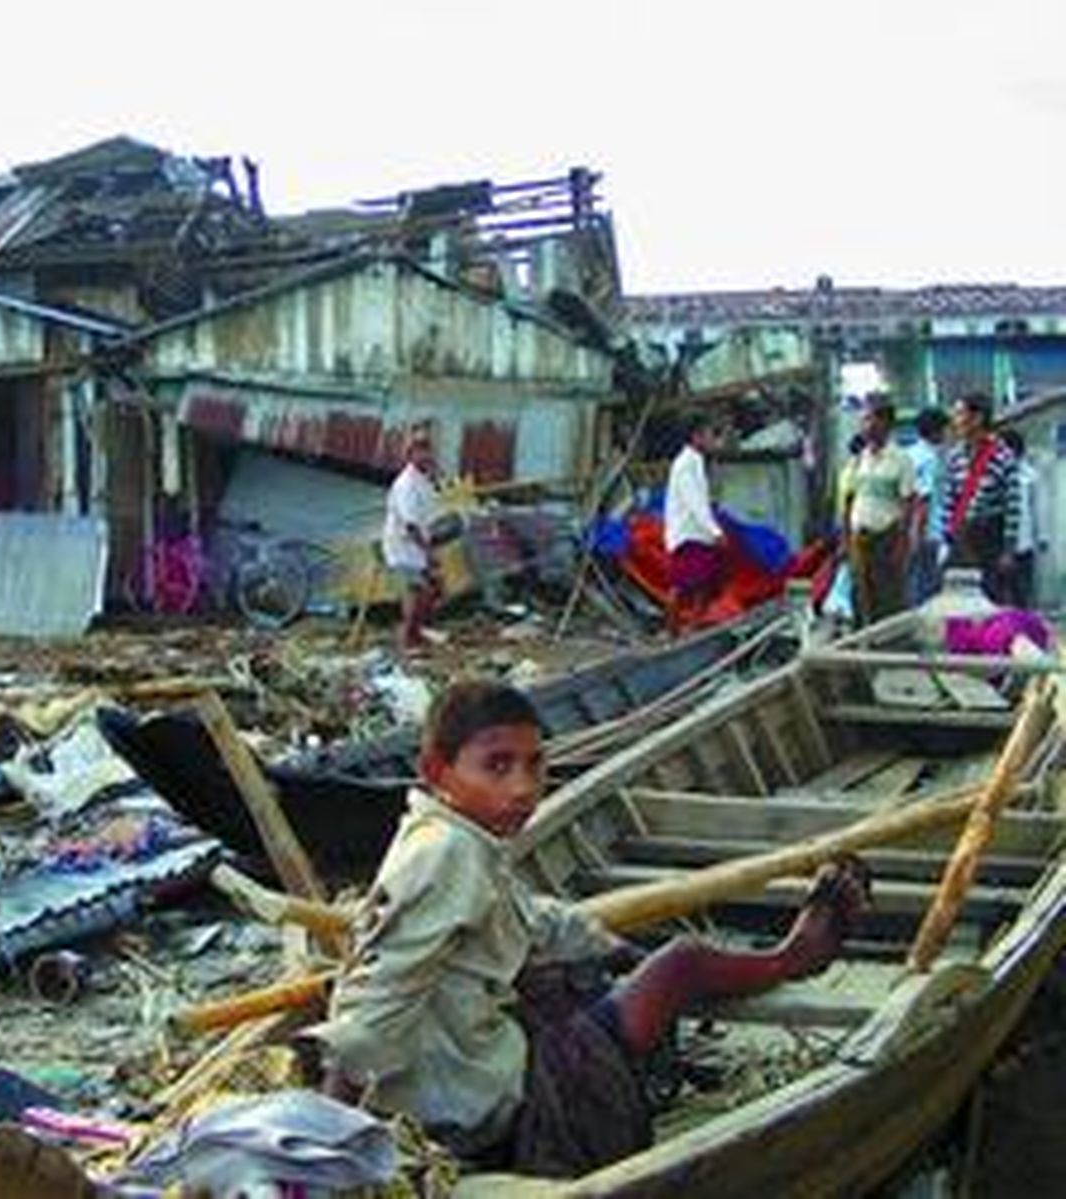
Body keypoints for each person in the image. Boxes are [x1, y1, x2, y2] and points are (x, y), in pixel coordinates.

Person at [308, 680, 869, 1177]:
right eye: (497, 766)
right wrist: (325, 1147)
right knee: (682, 963)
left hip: (460, 1084)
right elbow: (373, 1008)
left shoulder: (445, 836)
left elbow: (534, 920)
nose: (524, 788)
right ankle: (792, 957)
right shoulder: (448, 855)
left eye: (535, 765)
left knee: (575, 968)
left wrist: (613, 949)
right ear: (436, 770)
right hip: (485, 1109)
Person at [844, 397, 917, 626]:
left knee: (887, 594)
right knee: (859, 593)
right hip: (859, 536)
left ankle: (889, 649)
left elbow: (908, 503)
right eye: (864, 419)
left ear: (886, 423)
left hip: (885, 537)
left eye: (871, 418)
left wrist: (902, 543)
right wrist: (846, 536)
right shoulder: (859, 459)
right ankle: (861, 646)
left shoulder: (901, 459)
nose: (866, 425)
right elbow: (850, 498)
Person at [942, 393, 1019, 603]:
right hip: (961, 538)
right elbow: (949, 501)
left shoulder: (1002, 456)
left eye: (960, 414)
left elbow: (1012, 508)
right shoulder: (954, 457)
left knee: (990, 599)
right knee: (959, 600)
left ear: (977, 418)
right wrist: (946, 539)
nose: (955, 420)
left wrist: (1008, 550)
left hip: (990, 537)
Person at [664, 413, 725, 634]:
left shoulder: (696, 461)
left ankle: (692, 627)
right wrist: (715, 531)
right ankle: (672, 631)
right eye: (709, 434)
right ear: (696, 436)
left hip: (697, 533)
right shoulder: (685, 464)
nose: (712, 439)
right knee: (681, 587)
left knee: (701, 585)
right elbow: (695, 502)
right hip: (688, 534)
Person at [383, 428, 442, 653]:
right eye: (420, 451)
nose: (426, 456)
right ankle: (406, 639)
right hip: (403, 546)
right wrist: (429, 552)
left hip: (417, 544)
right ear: (410, 454)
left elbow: (430, 508)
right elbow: (411, 525)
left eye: (428, 451)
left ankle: (415, 634)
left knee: (434, 590)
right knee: (418, 592)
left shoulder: (423, 478)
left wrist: (435, 476)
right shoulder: (406, 483)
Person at [905, 408, 949, 605]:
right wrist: (916, 534)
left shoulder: (909, 454)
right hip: (928, 533)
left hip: (909, 530)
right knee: (927, 588)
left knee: (912, 583)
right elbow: (923, 499)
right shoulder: (930, 459)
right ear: (936, 431)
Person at [999, 429, 1041, 608]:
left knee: (1022, 591)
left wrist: (1041, 537)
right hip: (997, 543)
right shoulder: (994, 473)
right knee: (1000, 592)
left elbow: (1038, 507)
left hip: (1024, 542)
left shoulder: (1030, 475)